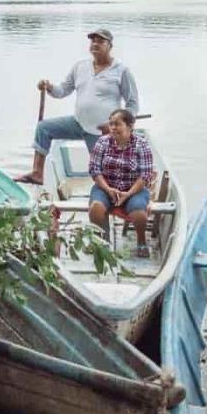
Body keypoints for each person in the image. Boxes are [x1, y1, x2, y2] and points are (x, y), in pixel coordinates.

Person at [15, 28, 139, 185]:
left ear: (110, 46)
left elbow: (133, 104)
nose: (95, 44)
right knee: (44, 128)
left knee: (104, 176)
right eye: (93, 40)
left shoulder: (121, 71)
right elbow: (63, 90)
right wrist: (49, 87)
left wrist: (119, 126)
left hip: (102, 131)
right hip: (78, 123)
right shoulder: (80, 66)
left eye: (100, 41)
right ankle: (37, 173)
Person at [87, 109, 155, 258]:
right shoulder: (103, 142)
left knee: (139, 213)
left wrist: (127, 194)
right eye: (111, 124)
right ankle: (101, 241)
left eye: (117, 124)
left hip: (133, 190)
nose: (113, 128)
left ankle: (141, 241)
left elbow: (146, 175)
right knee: (95, 208)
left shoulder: (141, 144)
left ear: (130, 126)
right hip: (105, 187)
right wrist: (108, 189)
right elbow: (94, 169)